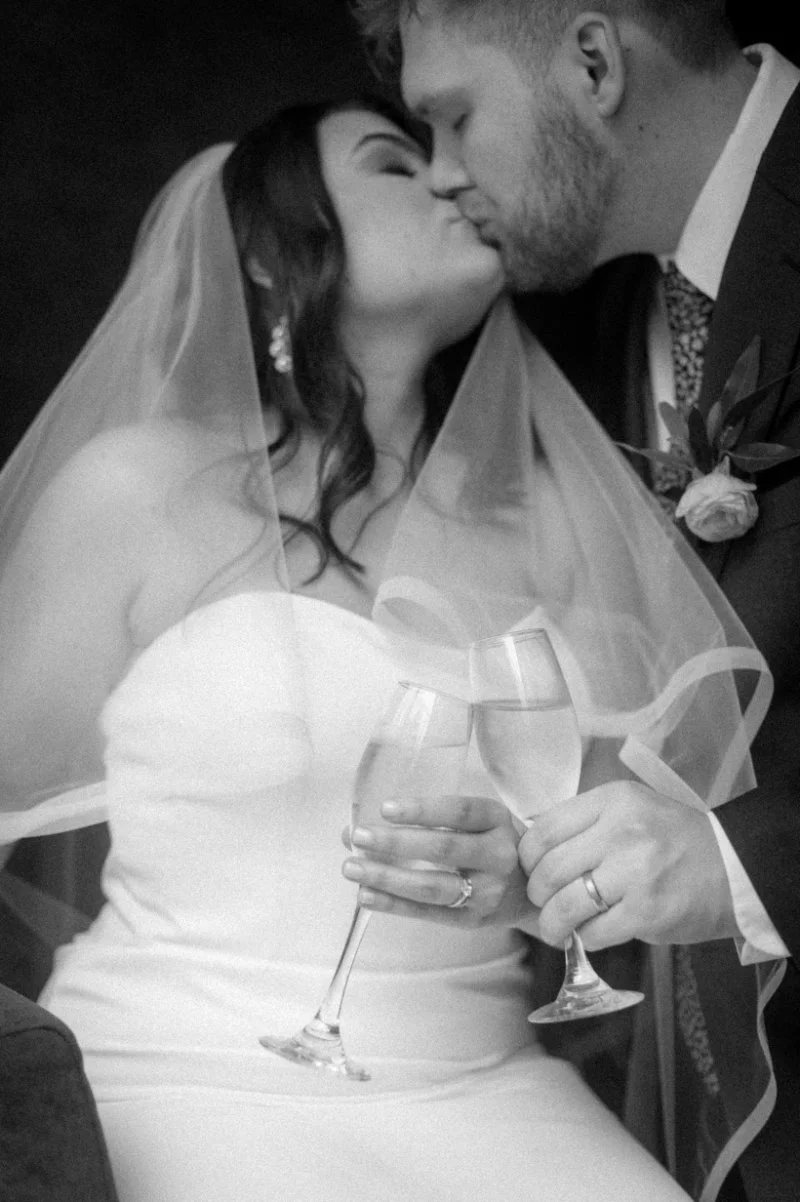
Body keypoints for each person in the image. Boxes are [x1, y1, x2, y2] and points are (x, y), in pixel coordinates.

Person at [0, 92, 703, 1202]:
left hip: (483, 1078)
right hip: (184, 1070)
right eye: (391, 163)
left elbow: (626, 836)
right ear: (278, 254)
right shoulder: (133, 492)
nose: (447, 179)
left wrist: (527, 881)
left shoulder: (561, 517)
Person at [348, 3, 800, 1200]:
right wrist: (560, 864)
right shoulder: (601, 305)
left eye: (451, 119)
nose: (444, 177)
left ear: (593, 63)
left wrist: (736, 861)